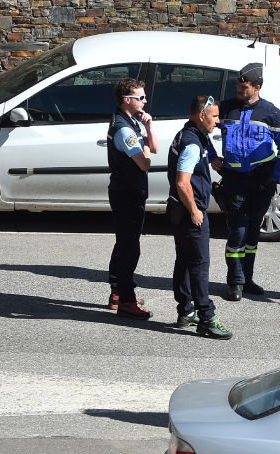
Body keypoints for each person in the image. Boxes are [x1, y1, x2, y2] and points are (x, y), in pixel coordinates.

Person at [217, 62, 280, 301]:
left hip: (261, 181)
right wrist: (211, 157)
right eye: (238, 85)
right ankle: (235, 282)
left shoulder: (270, 112)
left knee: (251, 234)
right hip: (233, 181)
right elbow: (199, 127)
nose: (239, 89)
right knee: (237, 232)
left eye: (244, 86)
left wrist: (275, 178)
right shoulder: (225, 108)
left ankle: (247, 279)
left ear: (257, 87)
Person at [167, 95, 233, 340]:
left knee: (184, 261)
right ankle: (206, 316)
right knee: (199, 265)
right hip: (189, 212)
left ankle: (185, 310)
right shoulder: (192, 143)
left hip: (179, 211)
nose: (217, 121)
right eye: (214, 116)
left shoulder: (189, 134)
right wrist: (195, 211)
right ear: (201, 115)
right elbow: (183, 183)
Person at [107, 77, 157, 319]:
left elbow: (153, 148)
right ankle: (126, 300)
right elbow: (145, 163)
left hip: (129, 191)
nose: (145, 101)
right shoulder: (124, 128)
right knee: (129, 248)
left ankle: (118, 291)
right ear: (127, 100)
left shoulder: (132, 121)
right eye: (141, 98)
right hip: (127, 193)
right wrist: (145, 147)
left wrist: (148, 129)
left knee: (124, 244)